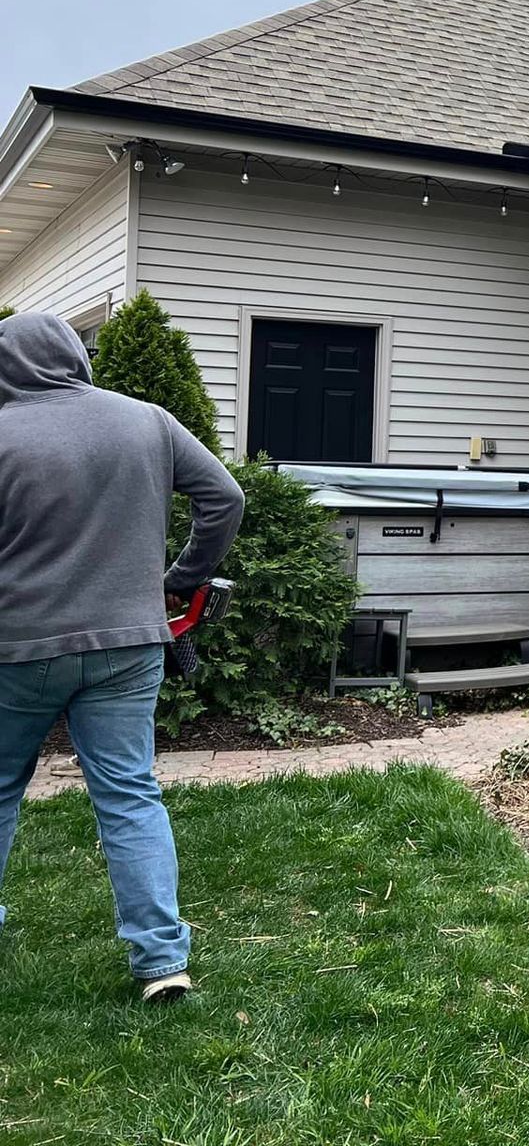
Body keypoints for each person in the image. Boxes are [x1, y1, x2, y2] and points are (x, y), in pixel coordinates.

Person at [0, 311, 244, 1001]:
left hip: (17, 646)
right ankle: (162, 962)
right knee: (130, 795)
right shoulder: (148, 420)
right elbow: (225, 498)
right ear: (77, 356)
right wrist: (183, 577)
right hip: (129, 643)